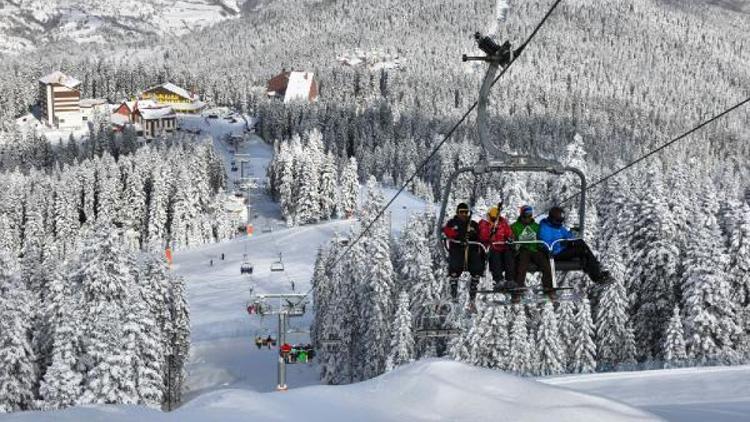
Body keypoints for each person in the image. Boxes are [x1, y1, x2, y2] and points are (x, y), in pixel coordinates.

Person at [538, 206, 612, 284]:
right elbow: (547, 246)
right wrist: (561, 243)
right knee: (582, 251)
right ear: (552, 218)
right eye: (558, 220)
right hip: (555, 254)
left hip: (562, 248)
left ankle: (594, 268)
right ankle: (596, 276)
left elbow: (567, 236)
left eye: (561, 221)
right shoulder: (544, 228)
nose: (560, 223)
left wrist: (571, 233)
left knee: (580, 242)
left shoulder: (558, 226)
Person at [442, 203, 485, 303]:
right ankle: (453, 290)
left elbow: (480, 235)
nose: (464, 214)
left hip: (471, 249)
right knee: (456, 262)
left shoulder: (473, 224)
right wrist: (459, 235)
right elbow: (447, 231)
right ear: (457, 212)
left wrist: (473, 234)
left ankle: (473, 291)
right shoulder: (453, 223)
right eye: (462, 212)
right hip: (457, 248)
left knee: (477, 261)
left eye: (466, 212)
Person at [511, 205, 554, 301]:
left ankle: (548, 288)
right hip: (523, 250)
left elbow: (541, 237)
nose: (528, 217)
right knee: (521, 267)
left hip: (535, 249)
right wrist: (514, 244)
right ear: (522, 214)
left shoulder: (536, 226)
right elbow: (511, 239)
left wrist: (542, 246)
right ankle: (517, 292)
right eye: (526, 214)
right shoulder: (515, 226)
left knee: (546, 266)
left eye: (530, 215)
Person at [478, 202, 515, 290]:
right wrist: (491, 234)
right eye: (492, 218)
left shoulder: (502, 222)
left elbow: (509, 233)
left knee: (509, 255)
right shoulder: (484, 223)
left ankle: (510, 279)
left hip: (502, 246)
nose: (494, 219)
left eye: (495, 218)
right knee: (495, 257)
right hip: (491, 248)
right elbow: (482, 236)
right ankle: (499, 280)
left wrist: (510, 238)